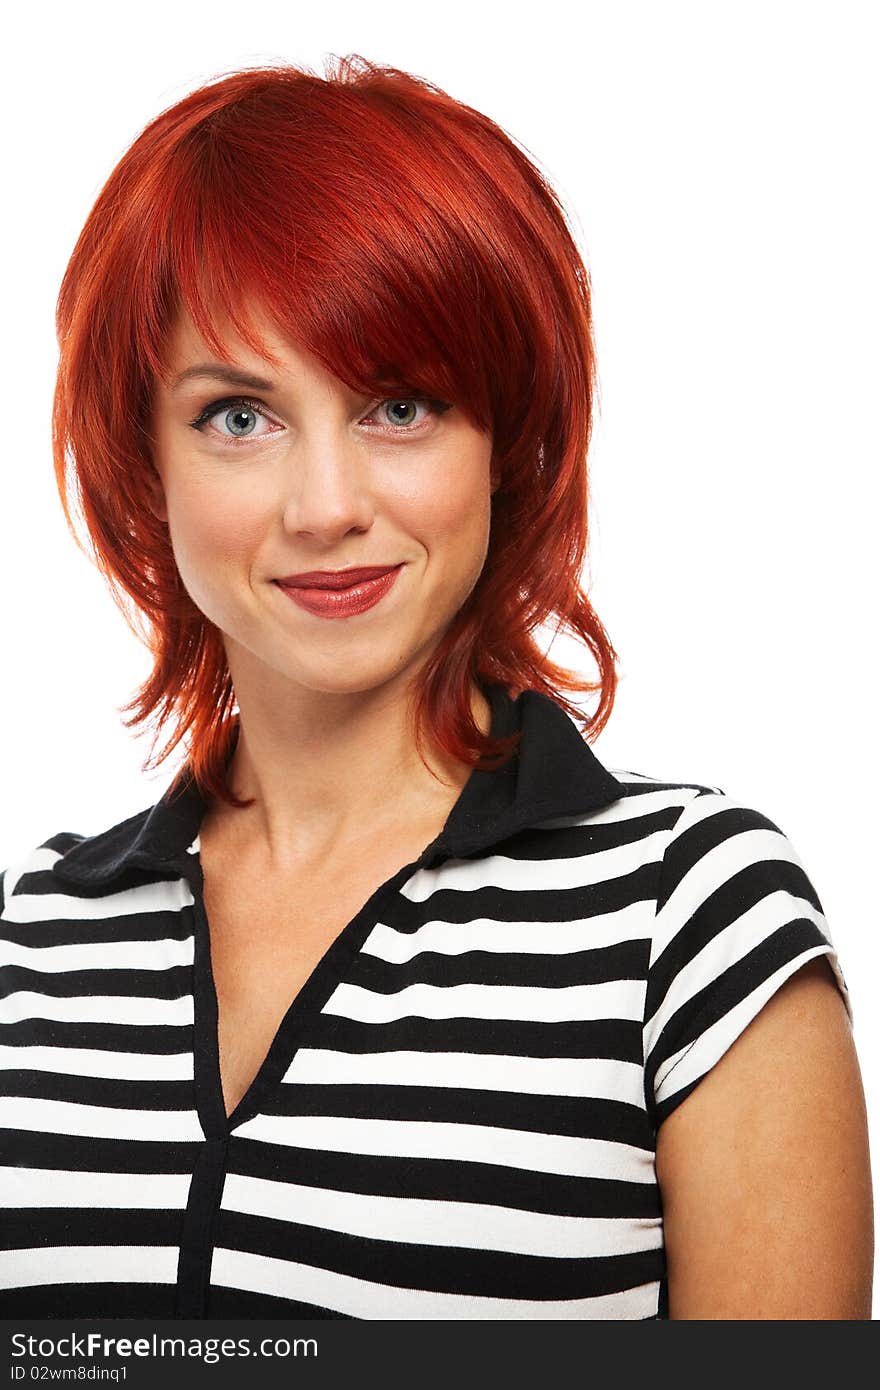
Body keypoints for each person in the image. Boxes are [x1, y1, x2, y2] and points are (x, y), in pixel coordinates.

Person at [0, 55, 872, 1321]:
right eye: (238, 416)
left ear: (506, 440)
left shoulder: (690, 920)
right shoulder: (42, 939)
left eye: (399, 405)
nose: (326, 508)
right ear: (146, 461)